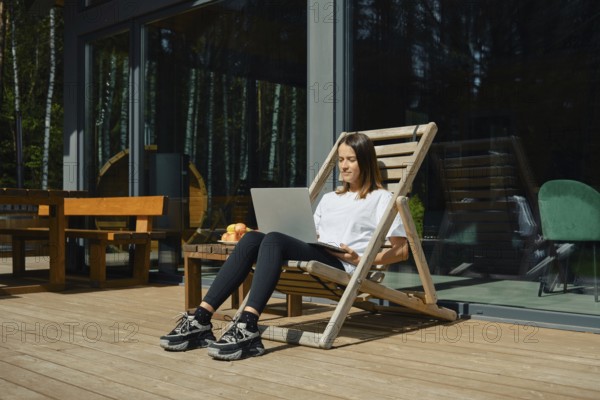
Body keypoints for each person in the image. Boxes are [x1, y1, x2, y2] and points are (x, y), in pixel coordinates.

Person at [159, 132, 409, 361]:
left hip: (343, 264)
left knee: (275, 239)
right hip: (319, 251)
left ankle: (248, 325)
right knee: (252, 238)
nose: (343, 166)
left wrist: (363, 258)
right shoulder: (330, 198)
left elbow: (402, 250)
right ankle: (201, 320)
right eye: (341, 159)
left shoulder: (381, 198)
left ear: (365, 161)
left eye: (351, 159)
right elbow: (312, 234)